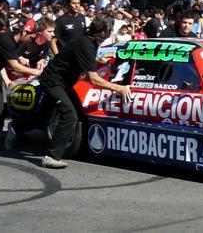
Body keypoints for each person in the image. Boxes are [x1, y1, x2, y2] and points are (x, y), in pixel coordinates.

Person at [15, 16, 131, 168]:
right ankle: (51, 156)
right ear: (103, 32)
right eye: (109, 32)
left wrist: (98, 60)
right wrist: (120, 88)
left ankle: (16, 127)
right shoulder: (86, 44)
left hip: (64, 82)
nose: (110, 35)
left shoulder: (89, 43)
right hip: (52, 81)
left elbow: (83, 59)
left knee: (45, 117)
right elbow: (94, 79)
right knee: (70, 115)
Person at [0, 17, 42, 149]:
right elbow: (15, 66)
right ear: (24, 32)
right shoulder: (6, 39)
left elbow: (11, 55)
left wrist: (19, 57)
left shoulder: (16, 42)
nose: (31, 40)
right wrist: (36, 72)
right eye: (30, 37)